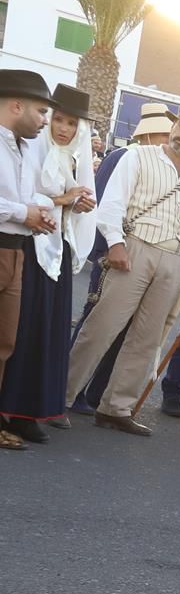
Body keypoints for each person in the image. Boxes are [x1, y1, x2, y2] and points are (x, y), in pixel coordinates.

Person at [65, 104, 180, 437]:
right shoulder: (138, 156)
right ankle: (57, 398)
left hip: (178, 260)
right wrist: (116, 242)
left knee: (147, 339)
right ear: (173, 126)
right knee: (101, 326)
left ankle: (116, 408)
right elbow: (113, 203)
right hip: (135, 249)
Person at [0, 83, 95, 444]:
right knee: (19, 332)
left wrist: (75, 203)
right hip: (30, 247)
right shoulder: (30, 147)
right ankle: (10, 410)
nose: (63, 129)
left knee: (45, 333)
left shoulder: (70, 156)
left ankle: (27, 412)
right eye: (57, 119)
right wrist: (64, 199)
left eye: (72, 124)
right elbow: (25, 197)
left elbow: (68, 199)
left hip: (58, 248)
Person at [67, 108, 173, 419]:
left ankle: (94, 392)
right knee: (95, 322)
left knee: (120, 330)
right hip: (114, 252)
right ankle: (72, 388)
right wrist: (105, 248)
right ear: (151, 135)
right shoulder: (125, 156)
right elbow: (103, 203)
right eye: (165, 136)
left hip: (136, 255)